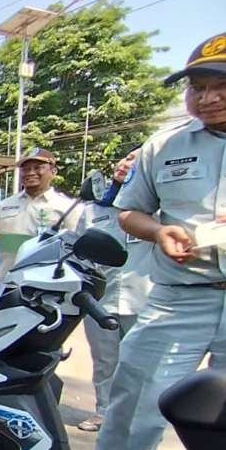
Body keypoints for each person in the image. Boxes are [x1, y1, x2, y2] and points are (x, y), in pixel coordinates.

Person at [96, 32, 226, 450]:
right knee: (134, 402)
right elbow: (129, 212)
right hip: (179, 297)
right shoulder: (163, 146)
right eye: (197, 88)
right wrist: (158, 232)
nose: (207, 98)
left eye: (221, 86)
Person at [75, 150, 153, 432]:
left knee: (139, 364)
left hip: (144, 299)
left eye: (134, 160)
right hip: (101, 301)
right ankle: (103, 412)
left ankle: (135, 418)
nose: (125, 163)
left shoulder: (155, 210)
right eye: (124, 158)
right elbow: (78, 251)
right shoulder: (93, 211)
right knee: (105, 361)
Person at [0, 148, 80, 282]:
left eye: (38, 168)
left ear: (53, 171)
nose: (31, 173)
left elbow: (76, 247)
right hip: (4, 282)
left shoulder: (67, 207)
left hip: (44, 287)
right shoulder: (4, 205)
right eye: (25, 169)